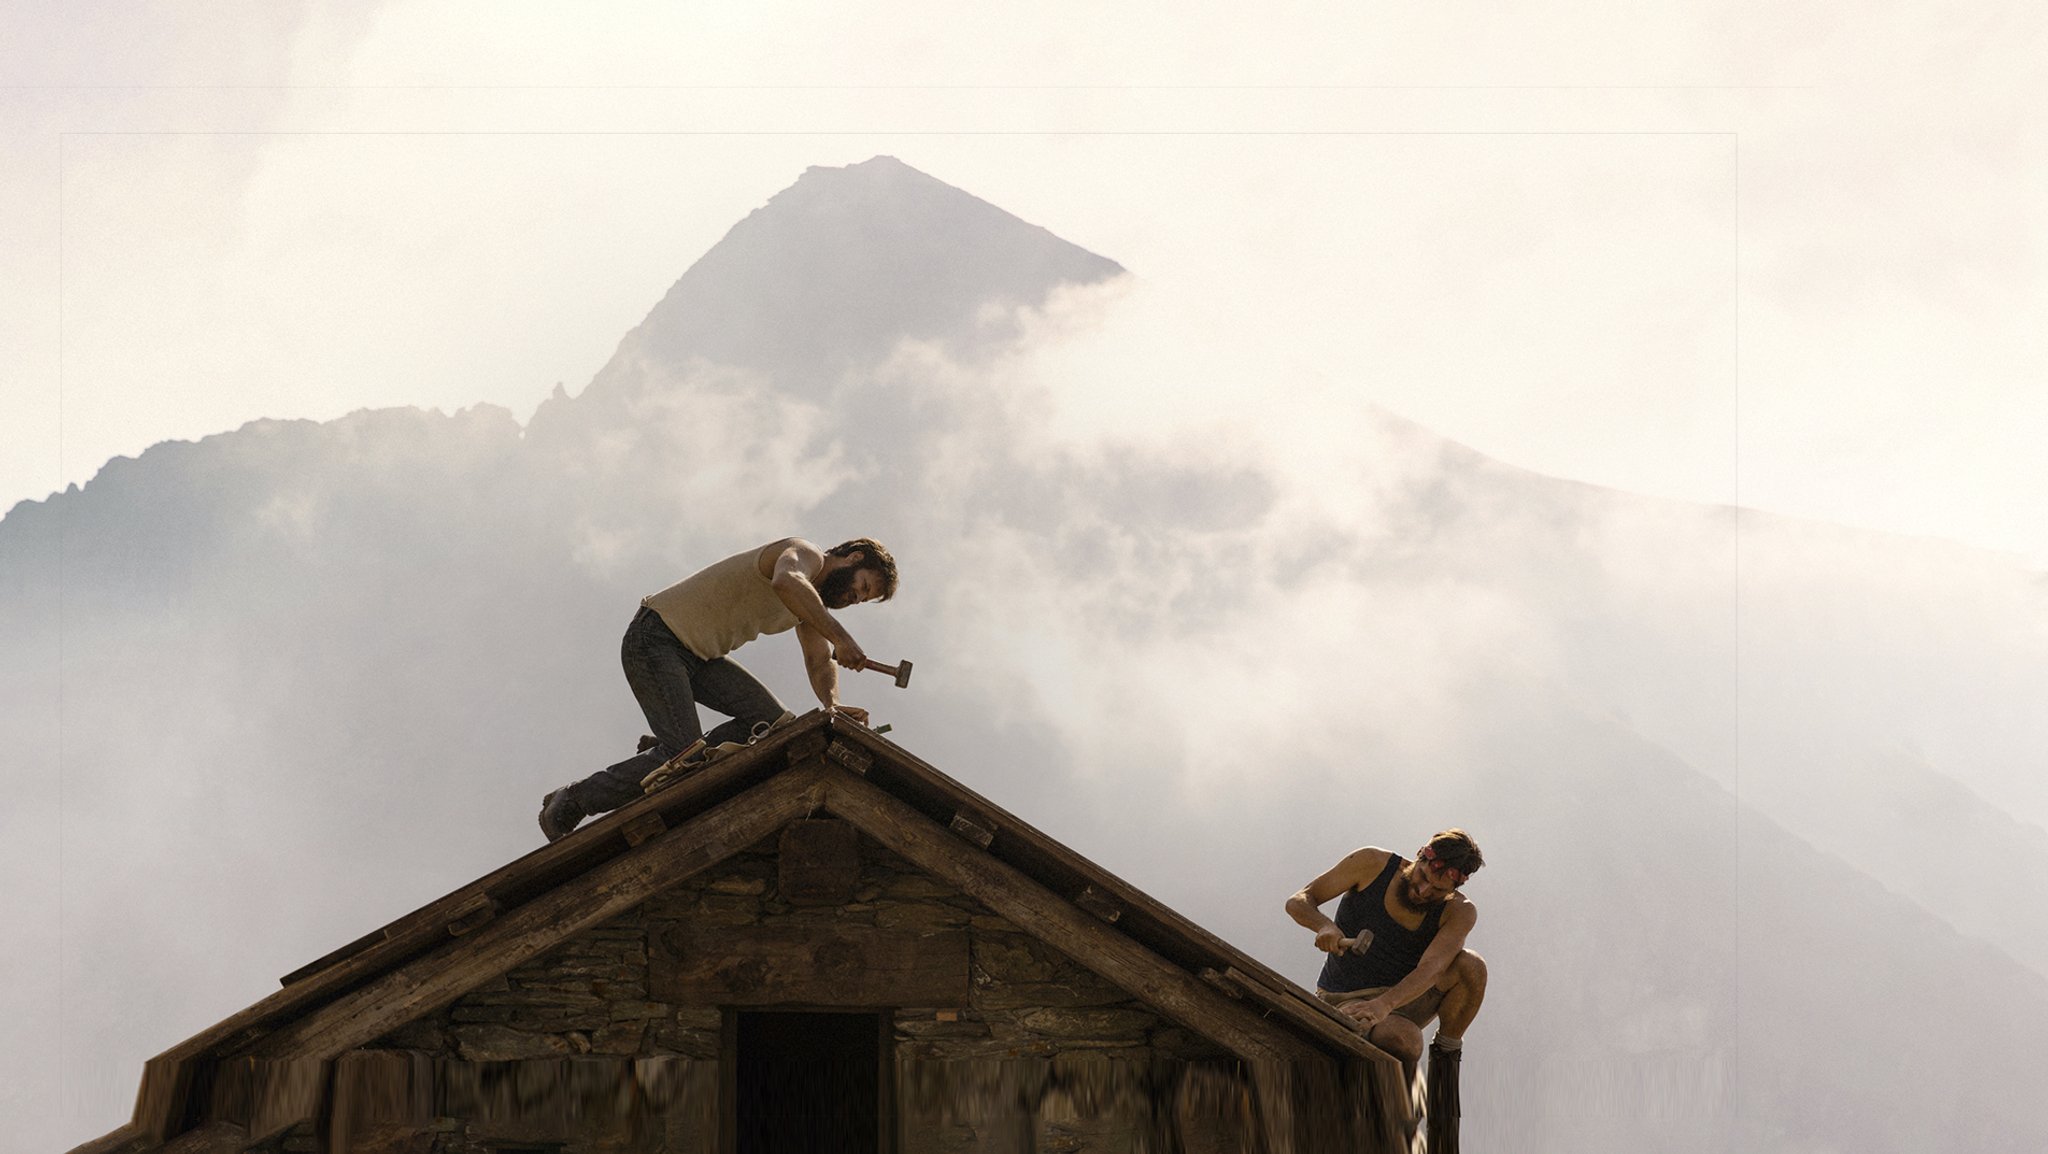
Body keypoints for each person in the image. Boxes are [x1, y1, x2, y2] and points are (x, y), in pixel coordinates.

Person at [538, 537, 898, 841]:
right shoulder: (804, 554)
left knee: (772, 724)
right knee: (684, 757)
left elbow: (820, 662)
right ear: (854, 557)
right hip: (655, 638)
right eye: (863, 587)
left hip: (696, 657)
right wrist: (842, 637)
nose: (855, 598)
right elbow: (786, 581)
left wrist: (832, 706)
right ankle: (576, 798)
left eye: (862, 600)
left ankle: (673, 749)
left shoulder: (809, 608)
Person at [1285, 829, 1487, 1150]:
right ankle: (1397, 1122)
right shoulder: (1372, 864)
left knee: (1472, 968)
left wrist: (1384, 1004)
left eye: (1437, 890)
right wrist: (1323, 925)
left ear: (1454, 887)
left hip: (1401, 998)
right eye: (1421, 876)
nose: (1423, 890)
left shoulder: (1460, 912)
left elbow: (1431, 969)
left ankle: (1445, 1070)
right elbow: (1298, 900)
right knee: (1403, 1039)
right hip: (1344, 998)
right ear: (1421, 855)